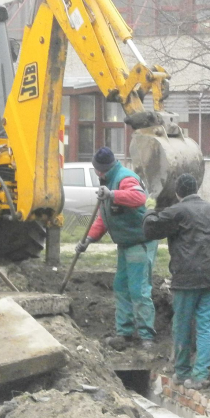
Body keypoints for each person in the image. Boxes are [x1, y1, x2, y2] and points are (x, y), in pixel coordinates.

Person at [142, 173, 210, 390]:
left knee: (182, 325)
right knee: (206, 326)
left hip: (187, 278)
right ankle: (200, 376)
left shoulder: (176, 212)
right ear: (196, 188)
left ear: (178, 192)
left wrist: (150, 210)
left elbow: (150, 229)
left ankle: (181, 372)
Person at [75, 147, 157, 350]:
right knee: (121, 287)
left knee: (139, 290)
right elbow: (104, 218)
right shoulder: (107, 181)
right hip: (125, 244)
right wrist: (89, 239)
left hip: (140, 242)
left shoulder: (124, 178)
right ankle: (125, 333)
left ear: (99, 169)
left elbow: (138, 197)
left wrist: (112, 194)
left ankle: (147, 336)